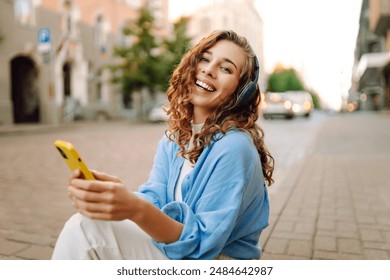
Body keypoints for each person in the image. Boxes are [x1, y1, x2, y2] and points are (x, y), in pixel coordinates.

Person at [52, 29, 274, 260]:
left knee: (86, 230)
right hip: (176, 251)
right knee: (86, 225)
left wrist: (134, 209)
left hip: (215, 261)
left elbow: (203, 245)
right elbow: (156, 198)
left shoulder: (234, 147)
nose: (209, 70)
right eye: (205, 59)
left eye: (226, 68)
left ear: (242, 91)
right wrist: (119, 196)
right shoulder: (175, 139)